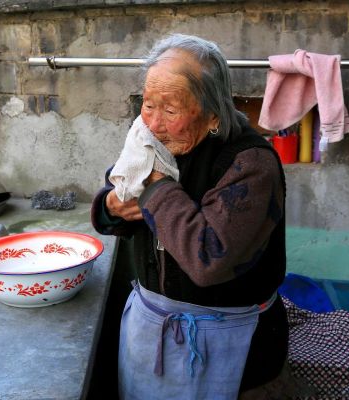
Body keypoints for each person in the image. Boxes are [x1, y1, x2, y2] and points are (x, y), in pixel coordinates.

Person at [91, 34, 289, 399]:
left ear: (213, 112)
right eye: (148, 105)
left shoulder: (250, 164)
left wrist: (154, 185)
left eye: (170, 109)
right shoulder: (155, 141)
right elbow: (116, 202)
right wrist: (108, 208)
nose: (152, 123)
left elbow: (209, 259)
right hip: (152, 329)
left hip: (231, 342)